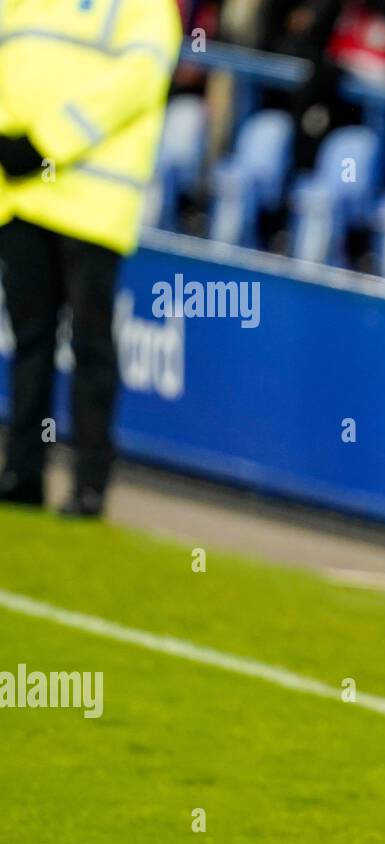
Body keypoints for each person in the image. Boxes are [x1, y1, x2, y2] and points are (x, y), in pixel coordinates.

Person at [0, 0, 181, 516]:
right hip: (21, 193)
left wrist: (48, 140)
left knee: (91, 344)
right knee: (30, 341)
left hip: (94, 201)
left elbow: (138, 80)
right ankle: (22, 471)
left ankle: (89, 482)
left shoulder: (146, 8)